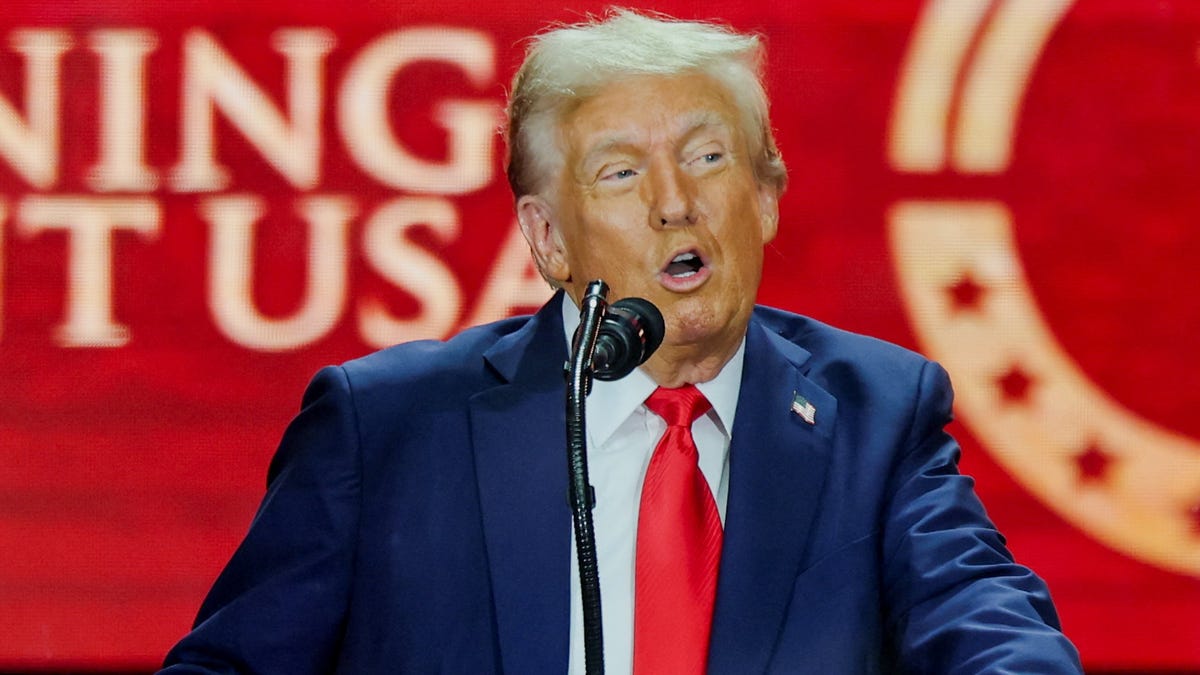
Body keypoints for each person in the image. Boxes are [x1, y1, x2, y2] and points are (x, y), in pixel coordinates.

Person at [160, 10, 1083, 674]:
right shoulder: (389, 426)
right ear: (548, 239)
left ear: (766, 197)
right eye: (619, 172)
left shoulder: (877, 415)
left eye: (708, 156)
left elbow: (987, 623)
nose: (674, 200)